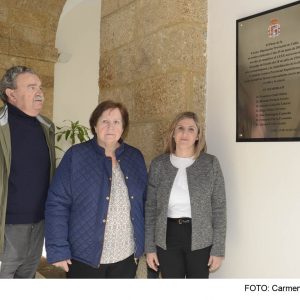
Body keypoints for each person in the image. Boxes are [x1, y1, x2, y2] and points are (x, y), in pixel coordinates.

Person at [45, 100, 147, 278]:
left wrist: (147, 246)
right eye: (104, 121)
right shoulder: (76, 156)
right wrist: (58, 248)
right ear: (94, 124)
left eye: (116, 122)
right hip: (84, 257)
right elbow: (57, 203)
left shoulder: (135, 156)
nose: (110, 127)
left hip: (126, 255)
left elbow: (145, 202)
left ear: (123, 127)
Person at [145, 111, 226, 278]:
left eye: (191, 129)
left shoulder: (210, 163)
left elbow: (219, 208)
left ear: (198, 136)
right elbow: (150, 208)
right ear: (173, 133)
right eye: (180, 128)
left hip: (200, 237)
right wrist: (150, 248)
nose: (185, 133)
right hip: (167, 237)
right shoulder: (158, 164)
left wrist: (218, 249)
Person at [0, 66, 56, 278]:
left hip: (38, 225)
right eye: (31, 87)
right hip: (6, 227)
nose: (39, 92)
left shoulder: (46, 127)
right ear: (11, 93)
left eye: (40, 87)